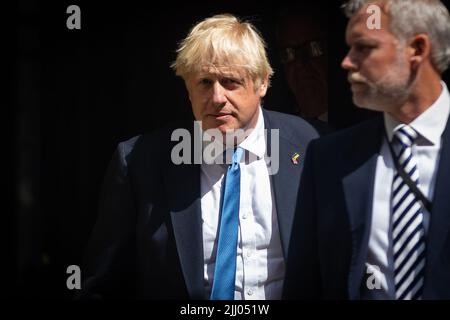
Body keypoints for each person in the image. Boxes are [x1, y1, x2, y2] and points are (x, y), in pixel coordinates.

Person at [79, 14, 319, 299]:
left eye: (230, 81)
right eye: (204, 82)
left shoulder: (314, 146)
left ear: (262, 83)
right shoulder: (140, 163)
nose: (217, 97)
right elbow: (102, 285)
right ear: (187, 88)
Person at [283, 0, 450, 300]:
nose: (347, 61)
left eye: (364, 47)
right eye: (349, 48)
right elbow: (305, 284)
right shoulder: (328, 158)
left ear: (417, 49)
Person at [276, 2, 332, 134]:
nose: (300, 63)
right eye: (289, 53)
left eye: (312, 48)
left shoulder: (363, 122)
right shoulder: (280, 133)